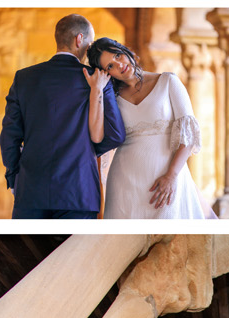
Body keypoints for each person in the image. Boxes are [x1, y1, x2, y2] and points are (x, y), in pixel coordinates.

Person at [0, 14, 125, 219]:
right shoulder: (99, 79)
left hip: (30, 191)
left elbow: (9, 136)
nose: (89, 49)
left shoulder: (23, 78)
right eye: (89, 43)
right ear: (79, 39)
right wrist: (85, 149)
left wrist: (14, 178)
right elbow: (116, 134)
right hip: (79, 192)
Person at [87, 38, 214, 219]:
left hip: (167, 179)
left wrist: (171, 176)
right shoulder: (111, 98)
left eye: (118, 55)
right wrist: (96, 90)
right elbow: (97, 136)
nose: (119, 65)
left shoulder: (168, 81)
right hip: (125, 183)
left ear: (126, 51)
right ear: (107, 73)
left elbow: (189, 136)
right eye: (110, 66)